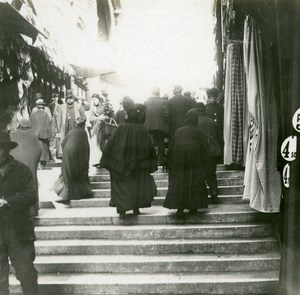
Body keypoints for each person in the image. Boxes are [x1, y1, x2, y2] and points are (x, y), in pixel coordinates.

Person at [100, 103, 158, 217]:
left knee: (123, 186)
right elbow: (150, 148)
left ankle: (122, 209)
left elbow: (109, 146)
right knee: (137, 185)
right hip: (138, 166)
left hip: (121, 166)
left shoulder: (121, 128)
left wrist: (112, 160)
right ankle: (136, 208)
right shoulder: (142, 129)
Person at [0, 131, 38, 295]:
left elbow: (31, 195)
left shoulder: (22, 170)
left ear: (6, 150)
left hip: (19, 229)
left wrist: (8, 201)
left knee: (26, 273)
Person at [163, 109, 208, 217]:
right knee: (194, 183)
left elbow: (171, 147)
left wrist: (167, 162)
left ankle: (180, 207)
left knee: (180, 183)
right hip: (195, 163)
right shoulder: (199, 132)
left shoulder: (179, 131)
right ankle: (193, 206)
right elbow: (205, 148)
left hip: (178, 163)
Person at [10, 119, 42, 215]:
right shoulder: (33, 136)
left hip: (15, 162)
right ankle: (32, 210)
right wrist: (35, 162)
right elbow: (39, 150)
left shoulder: (12, 134)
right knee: (30, 184)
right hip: (30, 163)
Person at [57, 117, 92, 204]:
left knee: (68, 174)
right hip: (76, 155)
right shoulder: (83, 133)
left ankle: (67, 195)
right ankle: (78, 194)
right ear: (83, 125)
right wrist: (86, 160)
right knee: (78, 172)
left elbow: (62, 143)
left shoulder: (71, 132)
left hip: (67, 153)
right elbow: (86, 147)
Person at [194, 103, 222, 204]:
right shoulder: (212, 122)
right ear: (204, 111)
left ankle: (201, 197)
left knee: (199, 175)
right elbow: (219, 138)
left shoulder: (194, 123)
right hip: (211, 153)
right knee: (211, 174)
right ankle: (214, 191)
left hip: (199, 153)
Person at [56, 89, 86, 158]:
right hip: (65, 128)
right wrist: (57, 130)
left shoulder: (78, 106)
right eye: (68, 98)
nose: (69, 100)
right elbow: (59, 119)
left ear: (73, 98)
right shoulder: (62, 107)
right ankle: (66, 155)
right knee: (65, 142)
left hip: (75, 129)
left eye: (71, 98)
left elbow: (84, 118)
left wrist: (79, 121)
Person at [144, 87, 169, 166]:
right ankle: (159, 160)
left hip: (148, 126)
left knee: (150, 143)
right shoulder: (163, 102)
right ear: (159, 93)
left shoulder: (146, 102)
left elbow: (143, 114)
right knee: (160, 143)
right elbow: (167, 114)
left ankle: (151, 160)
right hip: (160, 126)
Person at [30, 98, 52, 169]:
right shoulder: (45, 114)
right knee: (44, 150)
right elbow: (48, 126)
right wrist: (49, 136)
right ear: (43, 107)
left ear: (38, 107)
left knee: (36, 149)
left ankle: (37, 164)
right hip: (44, 136)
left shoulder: (33, 114)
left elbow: (30, 124)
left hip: (35, 135)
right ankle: (42, 165)